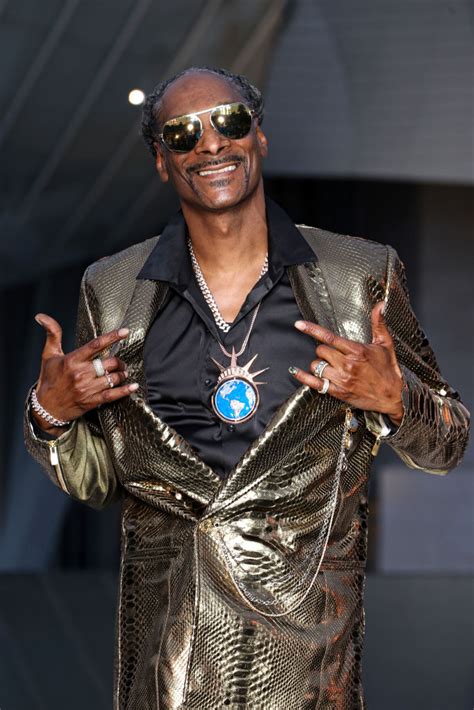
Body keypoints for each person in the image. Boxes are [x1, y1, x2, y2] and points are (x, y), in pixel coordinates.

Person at [24, 67, 469, 709]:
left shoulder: (357, 276)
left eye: (229, 121)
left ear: (259, 136)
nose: (210, 143)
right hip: (170, 668)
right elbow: (97, 481)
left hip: (305, 671)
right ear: (162, 161)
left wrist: (398, 401)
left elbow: (449, 442)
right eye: (183, 133)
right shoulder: (114, 289)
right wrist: (50, 415)